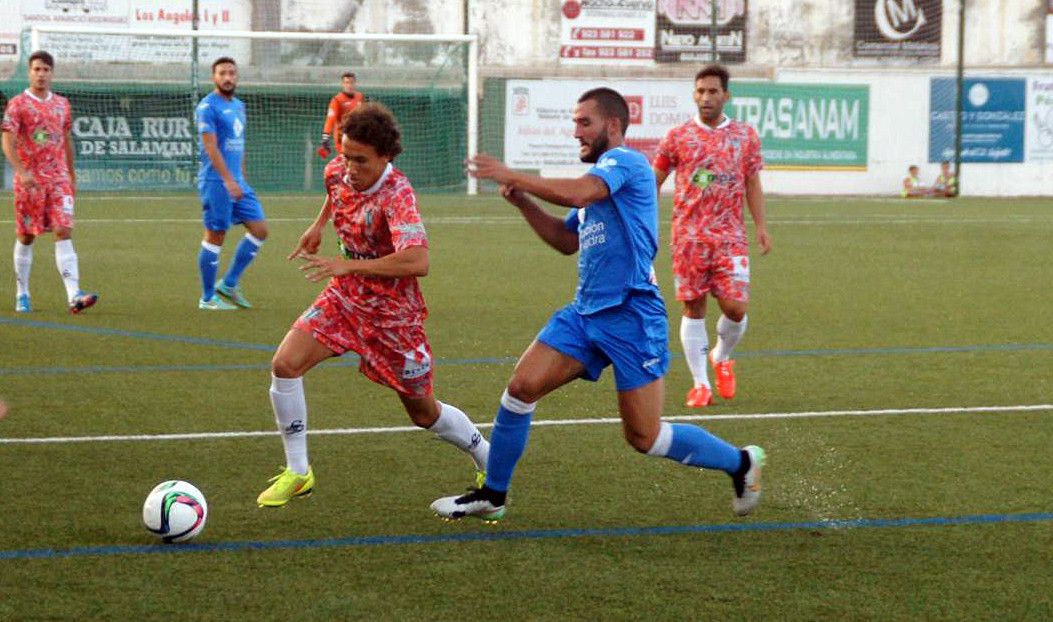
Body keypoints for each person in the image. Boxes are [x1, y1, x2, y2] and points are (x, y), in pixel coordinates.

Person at [430, 88, 764, 522]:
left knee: (644, 437)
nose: (576, 133)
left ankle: (741, 464)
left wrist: (514, 173)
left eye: (583, 123)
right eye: (574, 124)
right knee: (521, 388)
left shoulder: (624, 164)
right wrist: (523, 201)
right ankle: (493, 494)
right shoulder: (601, 185)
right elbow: (566, 240)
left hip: (632, 314)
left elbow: (579, 194)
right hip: (585, 314)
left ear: (612, 125)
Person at [257, 102, 490, 507]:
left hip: (393, 317)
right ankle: (299, 472)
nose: (349, 167)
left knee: (424, 413)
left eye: (361, 160)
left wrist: (346, 263)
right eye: (346, 155)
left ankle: (488, 457)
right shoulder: (339, 170)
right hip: (344, 299)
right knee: (285, 364)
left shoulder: (398, 194)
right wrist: (318, 225)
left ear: (386, 157)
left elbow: (419, 261)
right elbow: (335, 191)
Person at [653, 64, 771, 409]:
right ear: (694, 94)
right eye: (700, 91)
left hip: (730, 237)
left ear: (726, 95)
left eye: (712, 91)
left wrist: (761, 225)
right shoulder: (677, 136)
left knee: (736, 308)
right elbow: (654, 180)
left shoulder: (745, 136)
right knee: (694, 308)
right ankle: (700, 384)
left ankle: (721, 356)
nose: (705, 97)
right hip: (688, 237)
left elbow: (752, 181)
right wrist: (639, 219)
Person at [2, 50, 97, 314]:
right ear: (29, 72)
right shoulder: (18, 104)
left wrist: (72, 174)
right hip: (30, 182)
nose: (41, 74)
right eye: (36, 69)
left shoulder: (62, 105)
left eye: (45, 69)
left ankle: (74, 295)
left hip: (58, 180)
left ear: (52, 73)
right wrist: (20, 170)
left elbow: (66, 139)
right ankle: (22, 293)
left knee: (63, 230)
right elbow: (7, 139)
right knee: (26, 236)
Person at [194, 57, 267, 310]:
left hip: (237, 182)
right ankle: (207, 299)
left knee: (260, 230)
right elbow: (210, 146)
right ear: (214, 77)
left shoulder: (238, 106)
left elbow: (239, 143)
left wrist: (240, 178)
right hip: (216, 181)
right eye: (222, 73)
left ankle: (229, 283)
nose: (228, 77)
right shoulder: (207, 107)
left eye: (232, 73)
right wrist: (227, 179)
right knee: (216, 234)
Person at [317, 71, 365, 159]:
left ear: (355, 84)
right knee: (347, 161)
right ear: (342, 84)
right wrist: (325, 139)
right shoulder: (337, 100)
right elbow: (330, 120)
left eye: (352, 82)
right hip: (342, 137)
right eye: (347, 83)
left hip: (358, 136)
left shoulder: (360, 97)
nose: (349, 85)